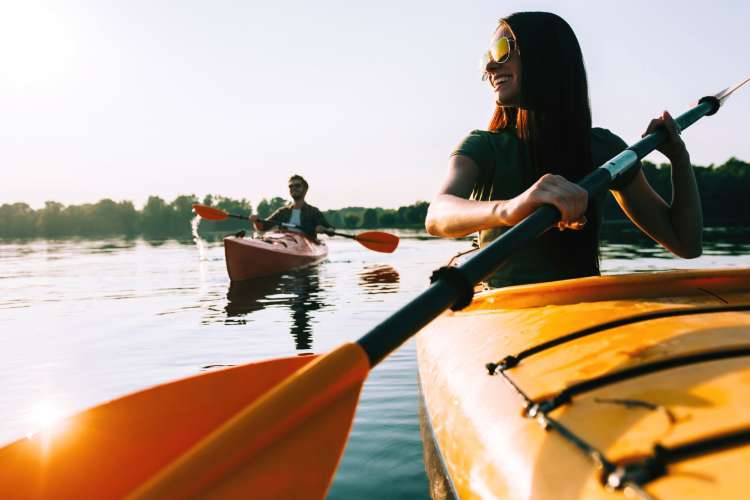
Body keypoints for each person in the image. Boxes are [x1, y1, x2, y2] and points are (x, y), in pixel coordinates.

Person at [425, 11, 702, 288]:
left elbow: (686, 244)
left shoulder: (604, 149)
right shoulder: (483, 146)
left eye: (501, 51)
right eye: (487, 59)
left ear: (545, 56)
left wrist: (679, 157)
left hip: (582, 304)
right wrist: (510, 209)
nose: (490, 68)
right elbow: (437, 216)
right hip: (501, 309)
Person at [250, 175, 334, 241]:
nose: (293, 188)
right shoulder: (282, 212)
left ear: (305, 189)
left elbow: (331, 230)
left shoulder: (313, 212)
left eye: (297, 185)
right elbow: (263, 227)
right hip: (284, 241)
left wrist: (325, 229)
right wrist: (256, 221)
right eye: (290, 186)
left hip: (305, 245)